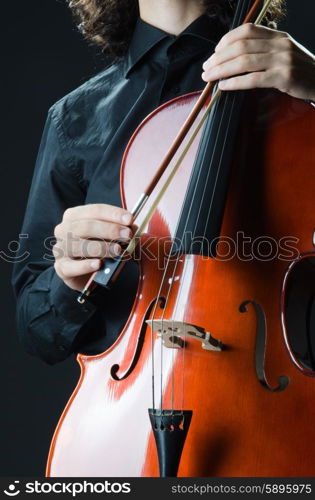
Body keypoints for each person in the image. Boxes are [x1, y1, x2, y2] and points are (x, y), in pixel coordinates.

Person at [12, 0, 315, 364]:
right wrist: (68, 280)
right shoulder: (75, 119)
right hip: (129, 403)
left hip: (271, 389)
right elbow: (37, 333)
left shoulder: (294, 90)